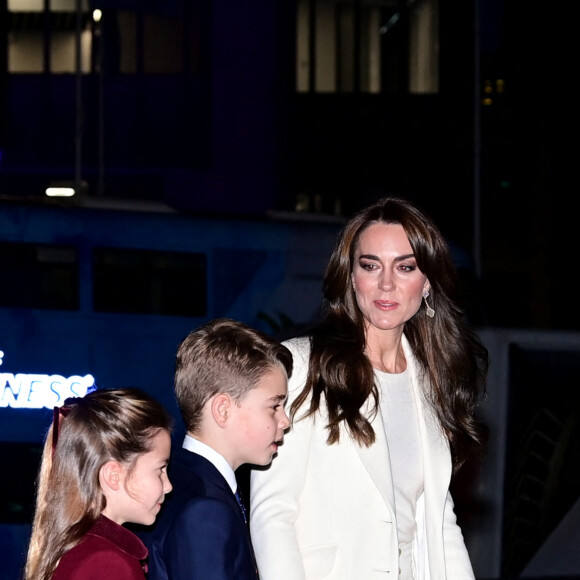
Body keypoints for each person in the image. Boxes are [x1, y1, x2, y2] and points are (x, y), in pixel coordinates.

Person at [250, 196, 489, 579]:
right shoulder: (301, 365)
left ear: (427, 282)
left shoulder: (429, 380)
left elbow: (440, 522)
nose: (386, 284)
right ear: (351, 275)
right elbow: (273, 514)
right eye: (370, 265)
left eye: (405, 267)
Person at [140, 317, 293, 580]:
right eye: (274, 406)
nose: (285, 421)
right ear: (223, 410)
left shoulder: (179, 478)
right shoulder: (206, 509)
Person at [24, 387, 174, 580]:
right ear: (113, 476)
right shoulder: (107, 564)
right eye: (160, 469)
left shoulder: (84, 548)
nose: (168, 486)